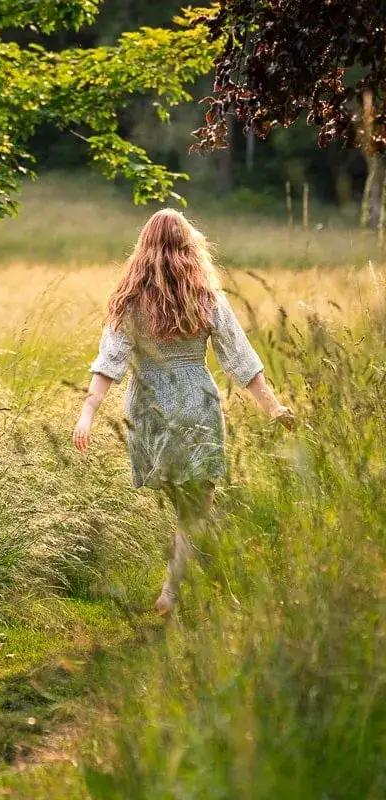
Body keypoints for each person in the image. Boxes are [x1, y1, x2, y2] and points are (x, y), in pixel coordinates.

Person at [72, 208, 292, 615]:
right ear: (191, 248)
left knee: (192, 511)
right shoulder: (206, 298)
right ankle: (173, 593)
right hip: (196, 406)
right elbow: (241, 361)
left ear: (143, 248)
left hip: (148, 410)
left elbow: (109, 364)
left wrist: (87, 414)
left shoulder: (128, 302)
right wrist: (273, 407)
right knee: (197, 509)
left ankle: (220, 594)